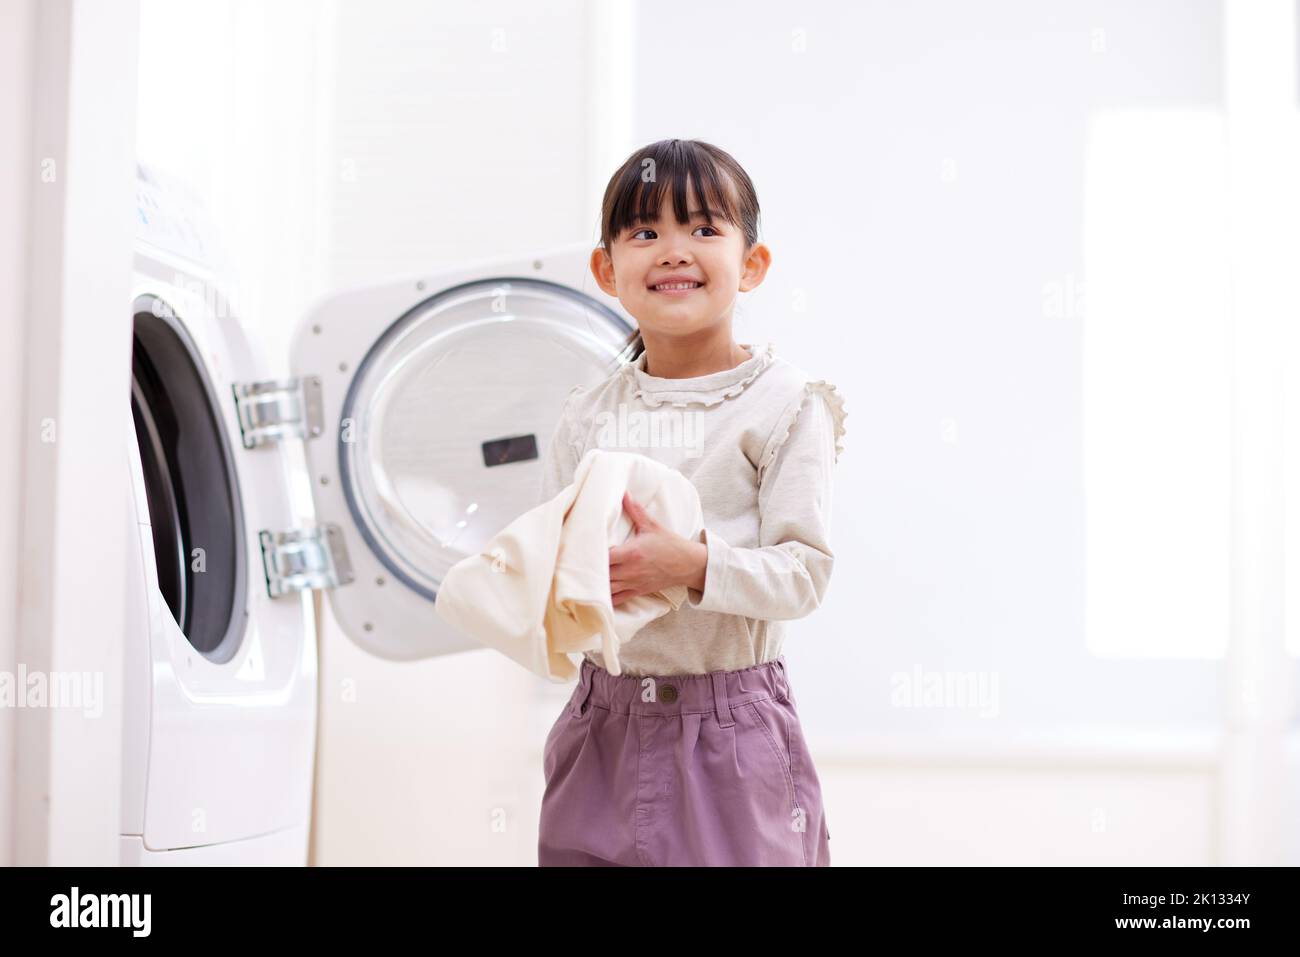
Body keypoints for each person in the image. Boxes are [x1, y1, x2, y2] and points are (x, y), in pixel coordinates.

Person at [536, 138, 847, 866]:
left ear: (752, 265)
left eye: (704, 229)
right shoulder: (586, 415)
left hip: (730, 737)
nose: (674, 250)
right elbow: (553, 567)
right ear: (607, 270)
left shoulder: (785, 405)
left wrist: (692, 565)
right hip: (601, 723)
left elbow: (804, 572)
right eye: (646, 232)